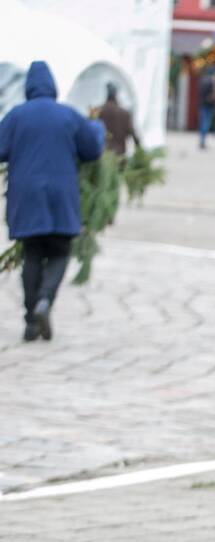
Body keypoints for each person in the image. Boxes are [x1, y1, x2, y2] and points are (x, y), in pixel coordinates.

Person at [0, 61, 104, 342]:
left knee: (32, 254)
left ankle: (30, 321)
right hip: (61, 195)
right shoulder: (67, 115)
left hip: (27, 195)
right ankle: (45, 300)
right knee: (59, 252)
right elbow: (93, 150)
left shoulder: (16, 116)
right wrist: (96, 127)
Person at [97, 82, 140, 158]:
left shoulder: (99, 112)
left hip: (103, 157)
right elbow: (133, 135)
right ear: (116, 94)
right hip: (120, 155)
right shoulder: (125, 114)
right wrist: (140, 151)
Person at [197, 66, 215, 150]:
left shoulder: (202, 80)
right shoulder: (211, 82)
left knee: (203, 122)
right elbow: (213, 95)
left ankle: (202, 141)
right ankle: (203, 141)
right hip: (209, 105)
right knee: (206, 123)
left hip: (202, 104)